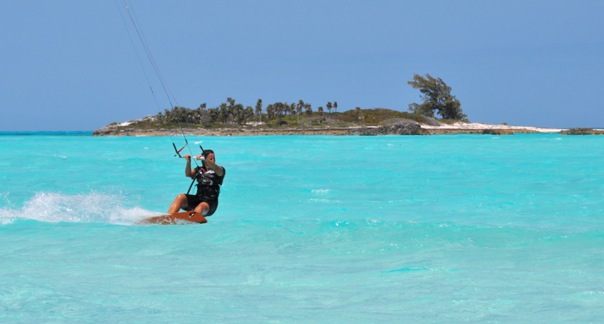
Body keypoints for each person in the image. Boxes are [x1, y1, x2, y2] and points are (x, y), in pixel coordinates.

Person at [167, 149, 225, 219]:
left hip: (210, 204)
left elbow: (215, 166)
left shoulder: (219, 170)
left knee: (201, 206)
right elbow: (188, 174)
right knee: (180, 197)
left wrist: (205, 159)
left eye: (214, 158)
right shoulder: (199, 170)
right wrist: (188, 161)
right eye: (211, 159)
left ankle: (192, 218)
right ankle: (169, 217)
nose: (213, 160)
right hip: (198, 199)